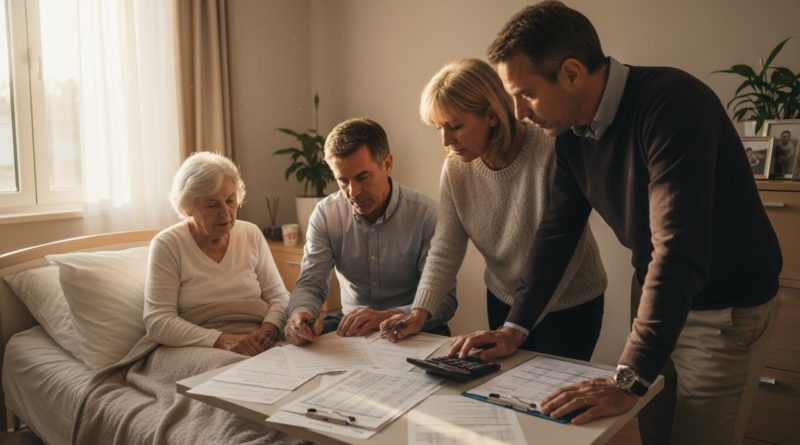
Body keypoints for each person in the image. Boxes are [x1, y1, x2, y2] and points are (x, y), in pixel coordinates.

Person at [432, 2, 781, 444]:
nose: (517, 111)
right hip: (655, 294)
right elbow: (556, 233)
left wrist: (628, 379)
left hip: (723, 309)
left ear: (572, 73)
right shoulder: (572, 135)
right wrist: (513, 328)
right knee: (655, 431)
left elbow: (678, 250)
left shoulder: (672, 105)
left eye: (526, 94)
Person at [381, 58, 607, 362]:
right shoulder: (456, 169)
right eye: (439, 128)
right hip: (503, 298)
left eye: (456, 126)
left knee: (551, 401)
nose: (447, 140)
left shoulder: (550, 149)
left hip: (568, 303)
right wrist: (420, 312)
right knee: (507, 394)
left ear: (491, 114)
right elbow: (445, 248)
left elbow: (562, 248)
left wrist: (520, 324)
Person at [283, 118, 457, 345]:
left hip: (414, 329)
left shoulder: (426, 216)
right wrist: (301, 314)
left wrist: (387, 317)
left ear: (387, 164)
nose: (353, 191)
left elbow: (444, 301)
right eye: (342, 181)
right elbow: (310, 284)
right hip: (352, 330)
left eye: (362, 177)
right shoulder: (326, 215)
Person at [144, 152, 289, 356]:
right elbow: (158, 320)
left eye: (230, 200)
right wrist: (219, 340)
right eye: (212, 204)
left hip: (256, 337)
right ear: (187, 208)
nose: (225, 212)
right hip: (199, 344)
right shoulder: (168, 244)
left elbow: (279, 297)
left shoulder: (251, 234)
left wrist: (270, 328)